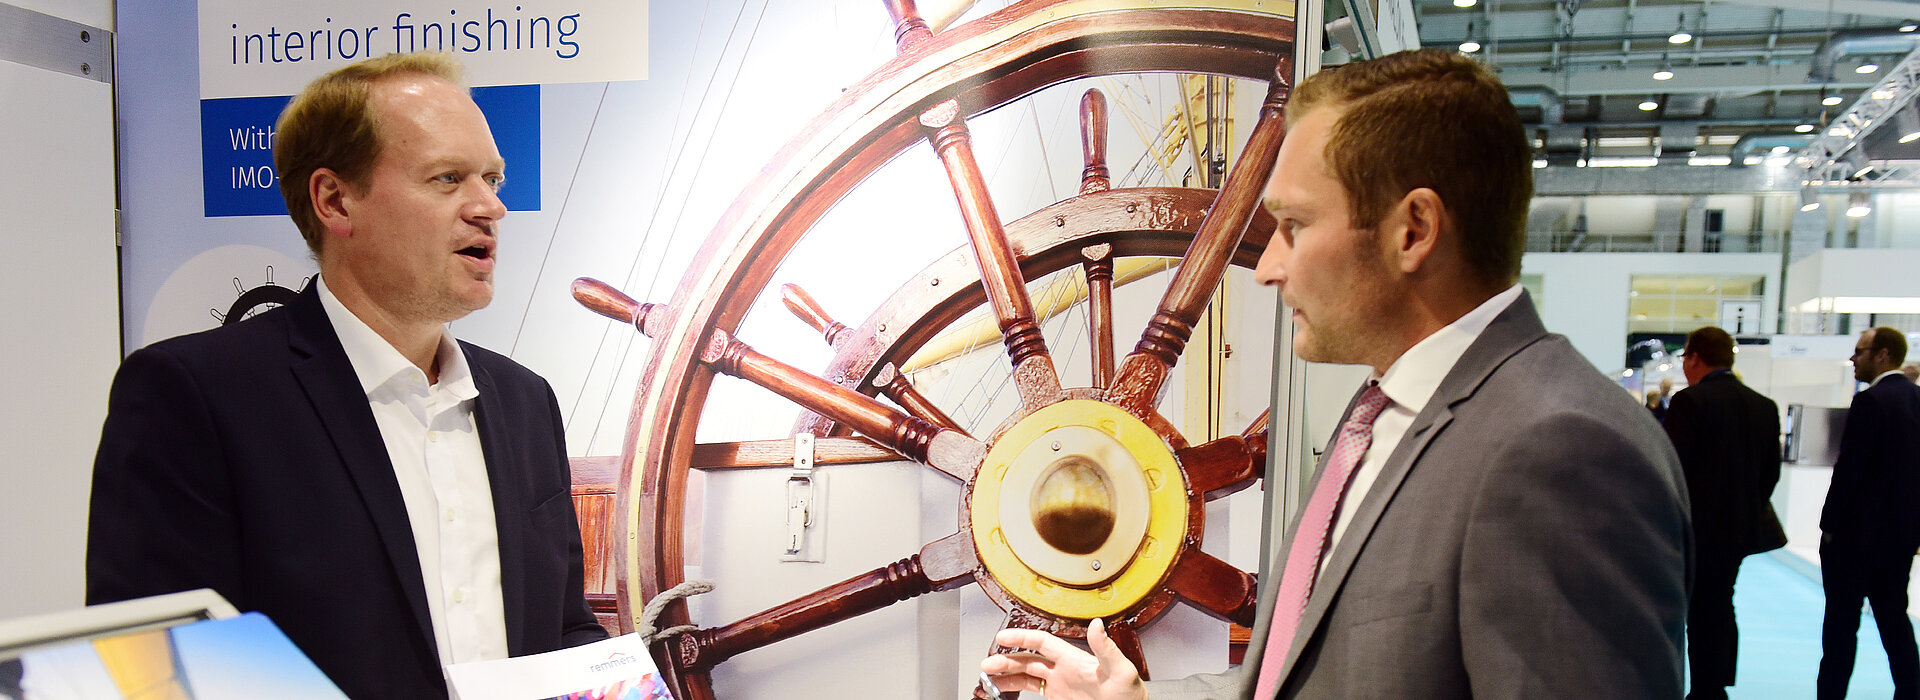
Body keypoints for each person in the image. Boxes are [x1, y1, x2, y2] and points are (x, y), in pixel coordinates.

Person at [981, 48, 1689, 699]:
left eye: (1294, 224)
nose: (1268, 267)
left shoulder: (1559, 452)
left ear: (1413, 230)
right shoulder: (1383, 415)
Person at [86, 53, 607, 698]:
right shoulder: (197, 396)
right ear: (335, 200)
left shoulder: (525, 403)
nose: (489, 208)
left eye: (493, 180)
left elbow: (562, 633)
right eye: (447, 179)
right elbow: (160, 675)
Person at [1662, 326, 1786, 700]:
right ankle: (1714, 685)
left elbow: (1673, 470)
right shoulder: (1764, 406)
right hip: (1739, 531)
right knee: (1720, 603)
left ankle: (1702, 687)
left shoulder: (1690, 402)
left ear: (1695, 358)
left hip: (1697, 531)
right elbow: (1770, 473)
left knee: (1696, 610)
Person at [1817, 327, 1920, 699]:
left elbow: (1850, 473)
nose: (1853, 359)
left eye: (1859, 351)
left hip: (1854, 540)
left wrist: (1828, 526)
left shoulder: (1871, 402)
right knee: (1895, 622)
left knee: (1841, 631)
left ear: (1883, 354)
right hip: (1900, 540)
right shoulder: (1917, 399)